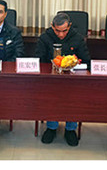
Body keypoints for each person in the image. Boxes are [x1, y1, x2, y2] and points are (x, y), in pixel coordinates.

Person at [35, 12, 91, 147]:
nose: (61, 34)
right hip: (50, 79)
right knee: (50, 96)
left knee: (74, 96)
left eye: (64, 31)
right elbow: (39, 59)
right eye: (57, 31)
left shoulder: (77, 38)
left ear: (69, 26)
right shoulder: (45, 37)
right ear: (52, 26)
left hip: (72, 80)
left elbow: (87, 61)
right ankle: (51, 127)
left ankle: (70, 129)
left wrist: (74, 63)